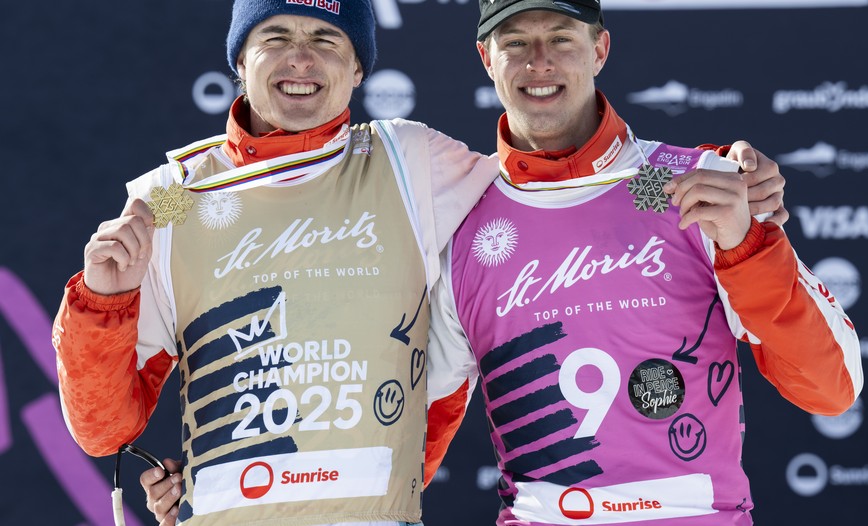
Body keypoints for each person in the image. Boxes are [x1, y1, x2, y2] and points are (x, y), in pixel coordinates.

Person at [54, 1, 785, 525]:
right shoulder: (175, 195)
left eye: (327, 40)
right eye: (275, 36)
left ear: (356, 68)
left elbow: (558, 183)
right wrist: (101, 298)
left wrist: (712, 174)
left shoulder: (405, 159)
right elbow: (103, 428)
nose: (301, 58)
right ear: (240, 60)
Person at [421, 1, 865, 525]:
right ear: (486, 59)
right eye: (515, 42)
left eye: (562, 38)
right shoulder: (463, 221)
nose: (539, 61)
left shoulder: (692, 188)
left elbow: (831, 385)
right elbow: (411, 441)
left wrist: (747, 246)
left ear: (600, 49)